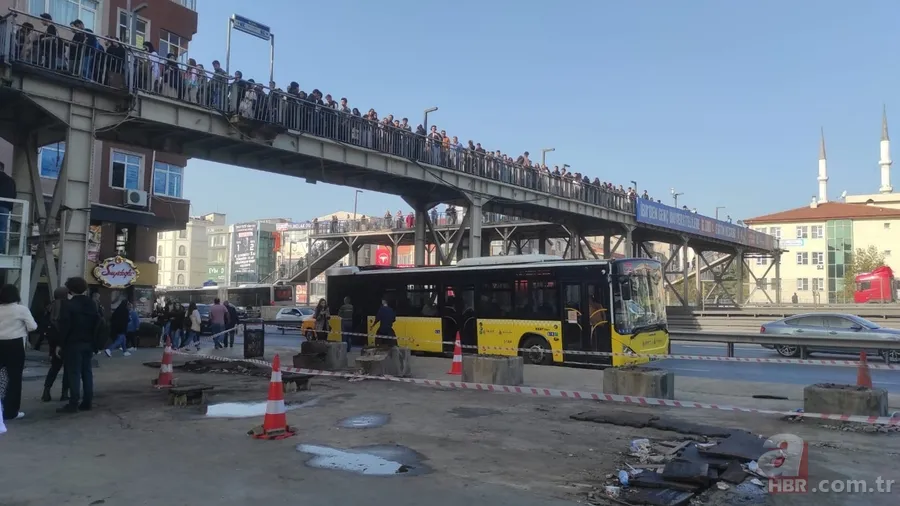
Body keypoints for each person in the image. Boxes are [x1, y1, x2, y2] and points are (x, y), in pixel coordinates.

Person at [57, 277, 100, 413]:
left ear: (70, 289)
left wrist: (59, 345)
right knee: (87, 372)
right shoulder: (92, 304)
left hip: (73, 344)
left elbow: (64, 326)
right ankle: (87, 401)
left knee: (73, 372)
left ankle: (73, 403)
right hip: (89, 343)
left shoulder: (67, 305)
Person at [0, 284, 38, 421]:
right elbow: (32, 326)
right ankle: (11, 412)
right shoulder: (21, 309)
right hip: (14, 345)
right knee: (14, 379)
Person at [40, 286, 70, 402]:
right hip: (65, 341)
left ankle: (46, 391)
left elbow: (44, 324)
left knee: (54, 368)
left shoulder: (50, 307)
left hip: (53, 341)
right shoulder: (68, 306)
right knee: (67, 368)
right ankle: (64, 393)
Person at [0, 166, 15, 255]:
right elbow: (13, 194)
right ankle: (0, 250)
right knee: (2, 229)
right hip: (5, 207)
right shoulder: (11, 180)